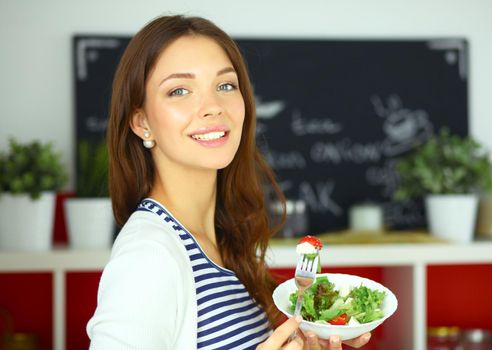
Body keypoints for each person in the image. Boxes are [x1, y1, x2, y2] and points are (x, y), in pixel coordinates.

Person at [86, 14, 371, 350]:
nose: (212, 107)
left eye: (225, 85)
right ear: (141, 122)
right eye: (179, 90)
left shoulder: (221, 239)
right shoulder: (148, 255)